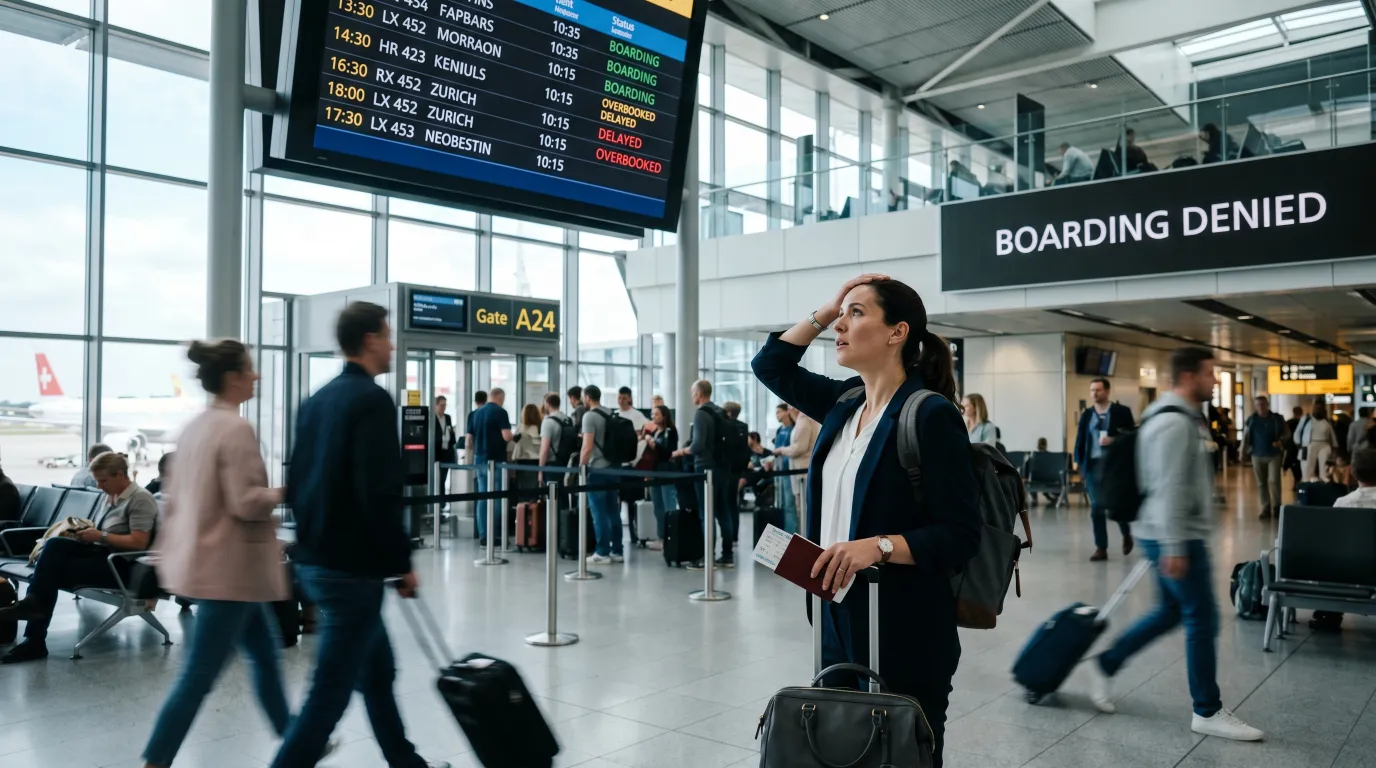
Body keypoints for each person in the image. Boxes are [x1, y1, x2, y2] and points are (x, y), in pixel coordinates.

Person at [752, 273, 981, 768]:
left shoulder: (929, 415)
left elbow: (961, 534)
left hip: (904, 620)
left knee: (900, 752)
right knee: (836, 747)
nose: (840, 325)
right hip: (833, 612)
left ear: (897, 332)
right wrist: (827, 309)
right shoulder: (843, 403)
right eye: (841, 314)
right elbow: (769, 363)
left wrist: (875, 546)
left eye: (856, 314)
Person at [273, 301, 446, 768]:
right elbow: (378, 492)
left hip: (316, 559)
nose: (391, 344)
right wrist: (401, 563)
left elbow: (300, 482)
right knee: (328, 694)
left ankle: (405, 762)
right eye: (387, 335)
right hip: (351, 570)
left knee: (377, 672)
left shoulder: (316, 400)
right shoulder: (371, 399)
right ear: (369, 340)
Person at [140, 340, 320, 768]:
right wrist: (286, 491)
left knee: (264, 653)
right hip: (230, 571)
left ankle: (294, 740)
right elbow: (244, 502)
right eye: (250, 370)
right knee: (198, 677)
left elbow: (181, 498)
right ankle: (155, 760)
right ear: (233, 377)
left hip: (215, 565)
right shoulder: (235, 428)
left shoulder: (196, 426)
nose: (256, 376)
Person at [1089, 347, 1263, 742]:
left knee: (1171, 612)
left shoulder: (1174, 417)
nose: (1215, 380)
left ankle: (1107, 662)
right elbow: (1166, 486)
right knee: (1202, 618)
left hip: (1170, 532)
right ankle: (1207, 709)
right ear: (1189, 377)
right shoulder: (1174, 424)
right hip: (1174, 535)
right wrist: (1174, 546)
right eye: (1210, 373)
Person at [0, 451, 157, 663]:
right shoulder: (110, 496)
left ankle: (34, 637)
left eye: (103, 481)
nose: (99, 487)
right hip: (101, 554)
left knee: (49, 574)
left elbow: (139, 543)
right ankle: (34, 628)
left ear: (120, 474)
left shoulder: (140, 499)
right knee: (54, 546)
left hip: (120, 566)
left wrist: (100, 536)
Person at [671, 380, 735, 568]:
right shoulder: (720, 411)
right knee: (723, 512)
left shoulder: (701, 414)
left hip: (705, 469)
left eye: (692, 392)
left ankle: (708, 557)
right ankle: (727, 555)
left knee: (706, 513)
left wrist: (681, 452)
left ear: (699, 394)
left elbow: (698, 445)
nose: (691, 396)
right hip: (723, 468)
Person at [1073, 378, 1135, 561]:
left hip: (1115, 466)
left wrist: (1114, 440)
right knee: (1097, 507)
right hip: (1093, 466)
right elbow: (1081, 439)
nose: (1094, 394)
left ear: (1107, 392)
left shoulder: (1122, 412)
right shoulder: (1087, 415)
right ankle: (1101, 547)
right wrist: (1078, 462)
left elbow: (1132, 437)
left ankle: (1126, 534)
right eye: (1092, 390)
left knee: (1117, 504)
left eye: (1098, 390)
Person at [579, 385, 623, 565]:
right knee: (613, 511)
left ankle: (602, 552)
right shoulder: (609, 412)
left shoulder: (589, 416)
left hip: (597, 469)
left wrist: (581, 466)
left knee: (599, 512)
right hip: (613, 467)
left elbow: (587, 446)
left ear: (588, 397)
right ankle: (617, 551)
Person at [466, 387, 513, 546]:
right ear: (500, 397)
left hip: (479, 459)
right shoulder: (501, 412)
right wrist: (513, 436)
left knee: (483, 497)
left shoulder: (475, 413)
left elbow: (468, 441)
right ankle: (496, 535)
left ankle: (484, 535)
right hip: (496, 460)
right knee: (497, 497)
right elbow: (506, 436)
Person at [1241, 395, 1288, 520]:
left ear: (1267, 405)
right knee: (1261, 482)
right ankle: (1265, 506)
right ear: (1255, 406)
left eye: (1263, 404)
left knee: (1274, 481)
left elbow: (1287, 433)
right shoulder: (1252, 420)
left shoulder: (1277, 419)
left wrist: (1281, 441)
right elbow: (1246, 437)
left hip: (1274, 454)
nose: (1261, 407)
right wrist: (1242, 451)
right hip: (1257, 454)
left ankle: (1277, 506)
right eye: (1258, 405)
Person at [774, 405, 816, 535]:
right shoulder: (801, 421)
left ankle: (797, 537)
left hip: (802, 471)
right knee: (798, 507)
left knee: (801, 508)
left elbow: (799, 448)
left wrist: (782, 450)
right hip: (799, 470)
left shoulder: (804, 421)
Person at [616, 387, 651, 543]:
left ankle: (635, 534)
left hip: (631, 466)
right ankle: (617, 535)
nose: (621, 400)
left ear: (629, 398)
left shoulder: (637, 416)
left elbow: (641, 437)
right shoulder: (615, 415)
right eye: (619, 398)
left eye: (624, 398)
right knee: (616, 502)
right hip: (618, 465)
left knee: (632, 504)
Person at [645, 404, 679, 550]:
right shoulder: (653, 433)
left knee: (668, 505)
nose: (654, 417)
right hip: (654, 472)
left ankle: (672, 537)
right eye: (652, 414)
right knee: (657, 506)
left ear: (664, 416)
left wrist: (654, 445)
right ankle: (661, 537)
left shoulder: (670, 432)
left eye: (656, 414)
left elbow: (668, 453)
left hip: (666, 472)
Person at [772, 403, 797, 535]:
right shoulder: (779, 430)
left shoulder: (793, 429)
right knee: (781, 504)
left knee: (789, 504)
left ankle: (790, 533)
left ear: (787, 412)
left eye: (779, 412)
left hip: (789, 471)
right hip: (778, 471)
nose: (777, 415)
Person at [508, 403, 542, 501]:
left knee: (522, 488)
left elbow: (512, 444)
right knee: (534, 489)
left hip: (522, 462)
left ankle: (522, 511)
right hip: (537, 462)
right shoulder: (540, 428)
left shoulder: (520, 428)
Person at [1299, 400, 1336, 483]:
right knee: (1308, 466)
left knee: (1324, 466)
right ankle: (1307, 481)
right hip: (1310, 444)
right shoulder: (1307, 419)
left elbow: (1332, 435)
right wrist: (1299, 443)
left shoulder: (1327, 421)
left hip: (1324, 444)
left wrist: (1334, 446)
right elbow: (1298, 431)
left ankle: (1324, 480)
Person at [433, 395, 456, 510]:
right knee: (438, 479)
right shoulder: (432, 418)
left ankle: (442, 503)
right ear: (435, 405)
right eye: (441, 405)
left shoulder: (447, 418)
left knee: (443, 478)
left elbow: (451, 432)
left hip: (447, 452)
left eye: (445, 405)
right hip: (437, 453)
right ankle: (438, 503)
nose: (444, 408)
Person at [1285, 405, 1305, 491]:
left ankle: (1297, 481)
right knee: (1300, 465)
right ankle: (1298, 481)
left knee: (1294, 465)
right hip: (1301, 447)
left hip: (1292, 448)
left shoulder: (1289, 423)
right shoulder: (1304, 423)